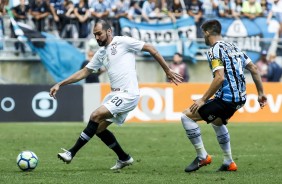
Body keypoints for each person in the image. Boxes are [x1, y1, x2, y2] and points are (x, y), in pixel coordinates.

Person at [49, 19, 183, 170]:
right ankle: (124, 158)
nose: (97, 37)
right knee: (98, 128)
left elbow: (150, 48)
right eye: (95, 35)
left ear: (109, 31)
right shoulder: (101, 53)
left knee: (94, 116)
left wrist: (167, 70)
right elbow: (84, 72)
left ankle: (71, 153)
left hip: (128, 94)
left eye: (99, 34)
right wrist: (60, 84)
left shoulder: (123, 42)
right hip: (115, 95)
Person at [180, 19, 267, 173]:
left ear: (207, 32)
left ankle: (202, 157)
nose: (203, 37)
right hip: (240, 98)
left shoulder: (214, 50)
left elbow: (219, 78)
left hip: (226, 99)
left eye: (203, 34)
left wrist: (203, 99)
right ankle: (229, 162)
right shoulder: (234, 47)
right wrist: (261, 93)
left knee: (186, 117)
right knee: (217, 122)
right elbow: (253, 68)